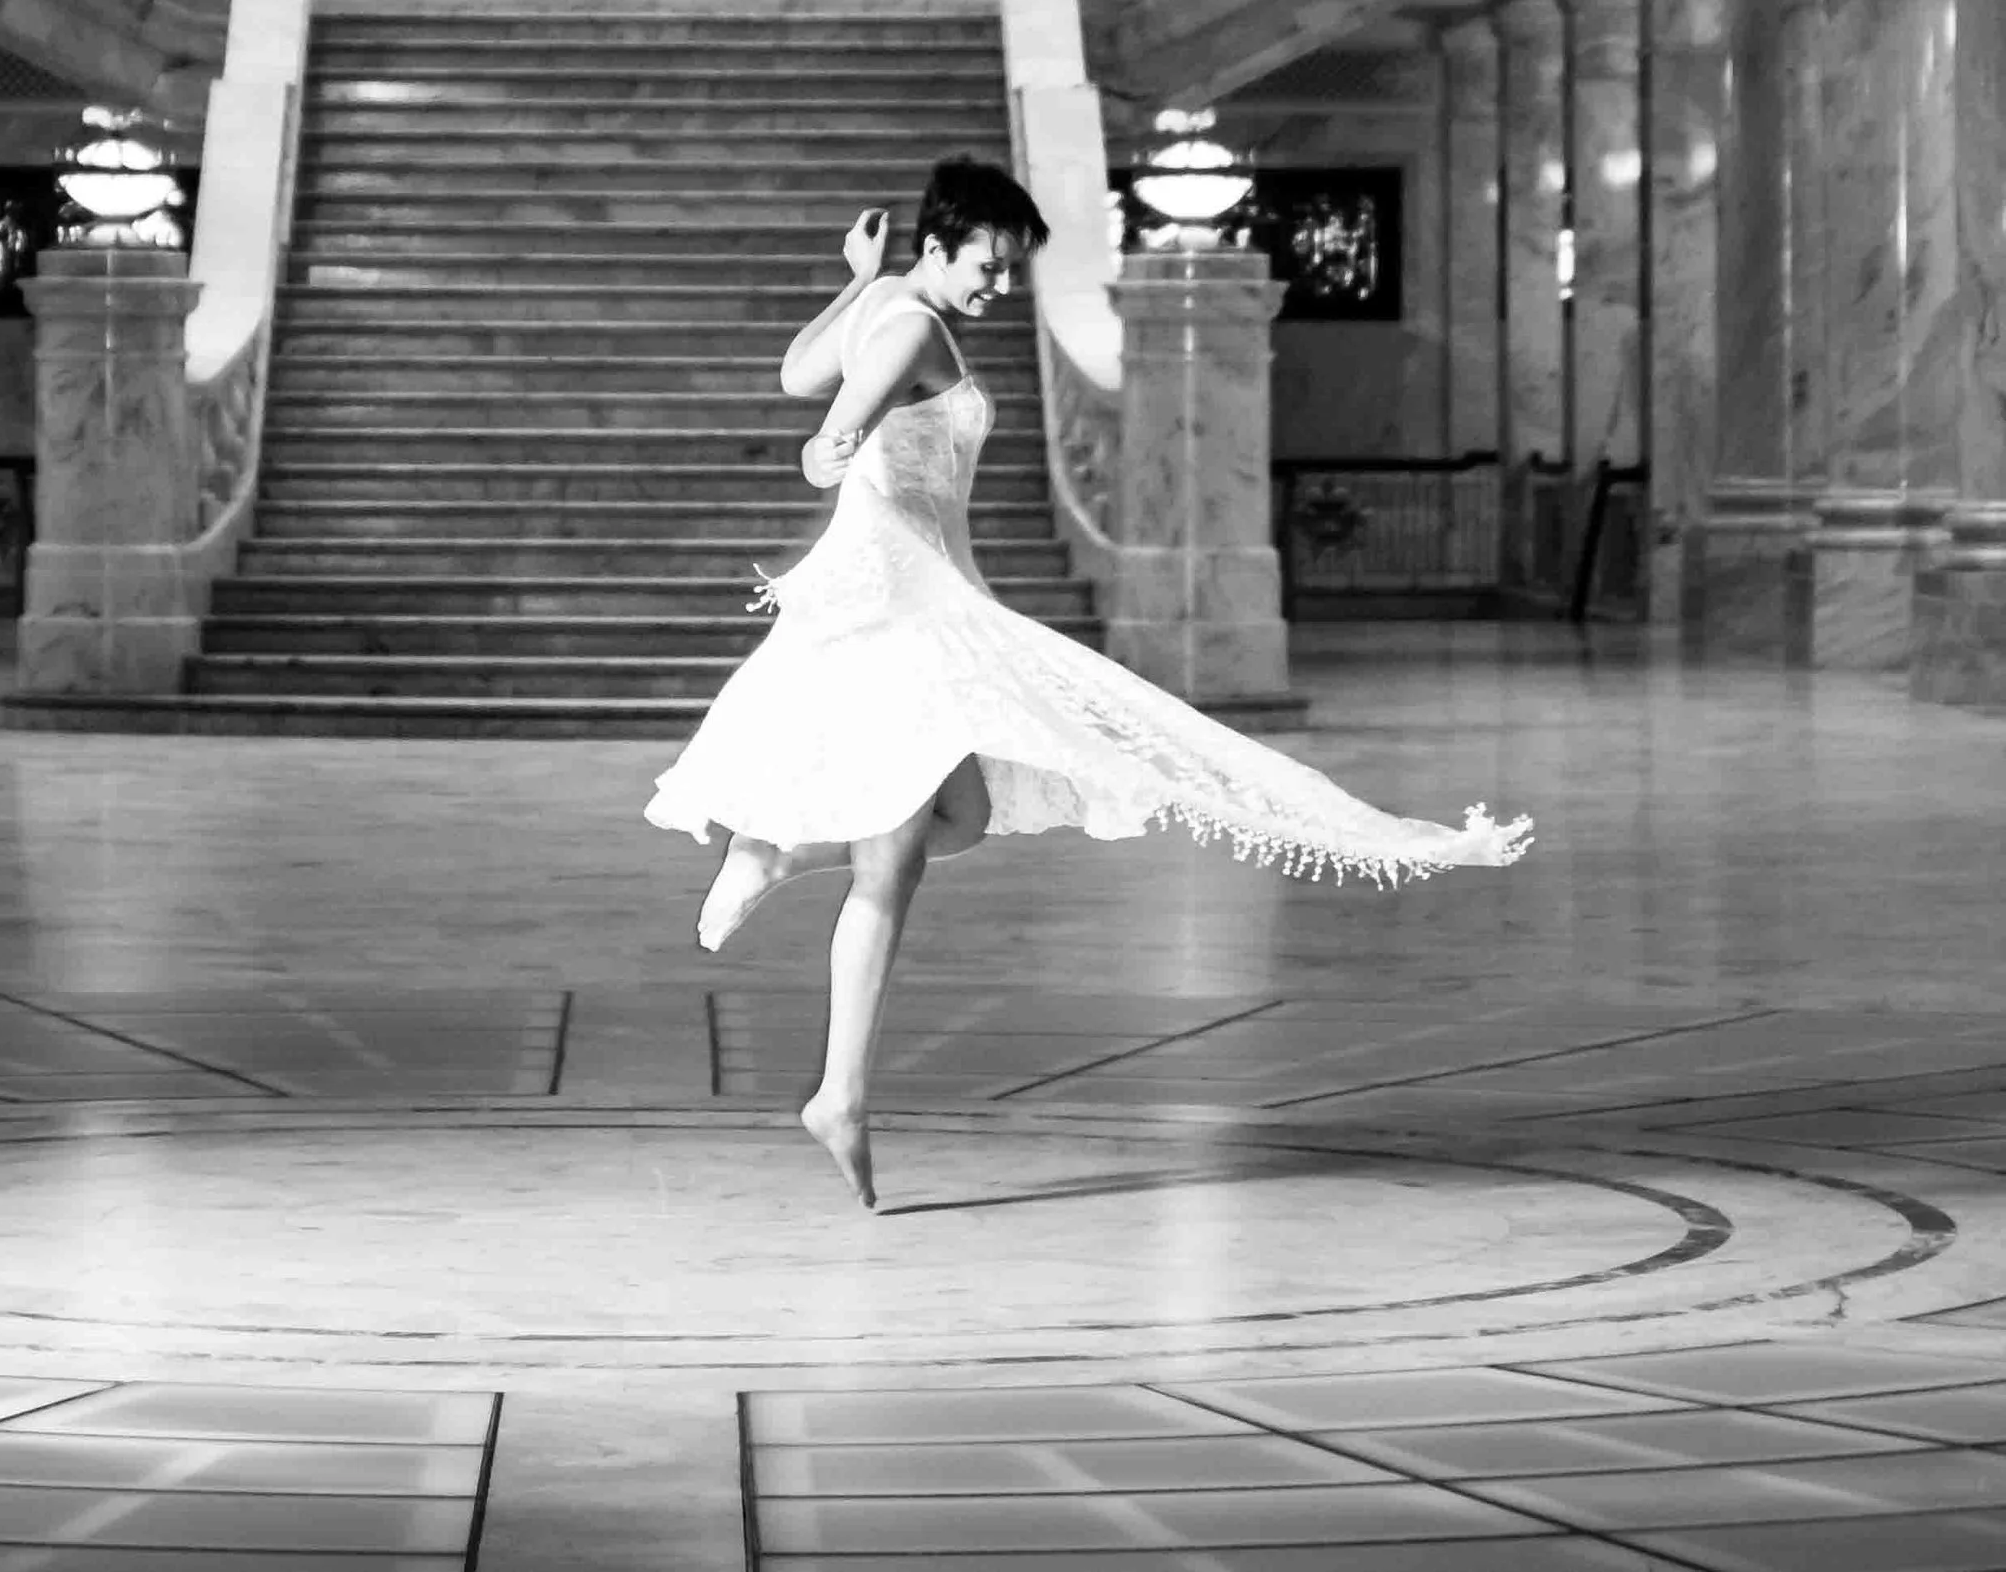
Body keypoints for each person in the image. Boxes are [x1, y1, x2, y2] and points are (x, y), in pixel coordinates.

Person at [646, 155, 1532, 1211]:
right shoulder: (914, 327)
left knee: (959, 819)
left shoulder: (886, 299)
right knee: (894, 862)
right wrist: (828, 450)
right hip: (902, 609)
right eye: (992, 264)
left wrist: (853, 276)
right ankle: (838, 1088)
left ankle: (782, 856)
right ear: (942, 246)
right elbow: (823, 419)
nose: (1002, 287)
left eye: (1014, 268)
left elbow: (803, 371)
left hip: (917, 598)